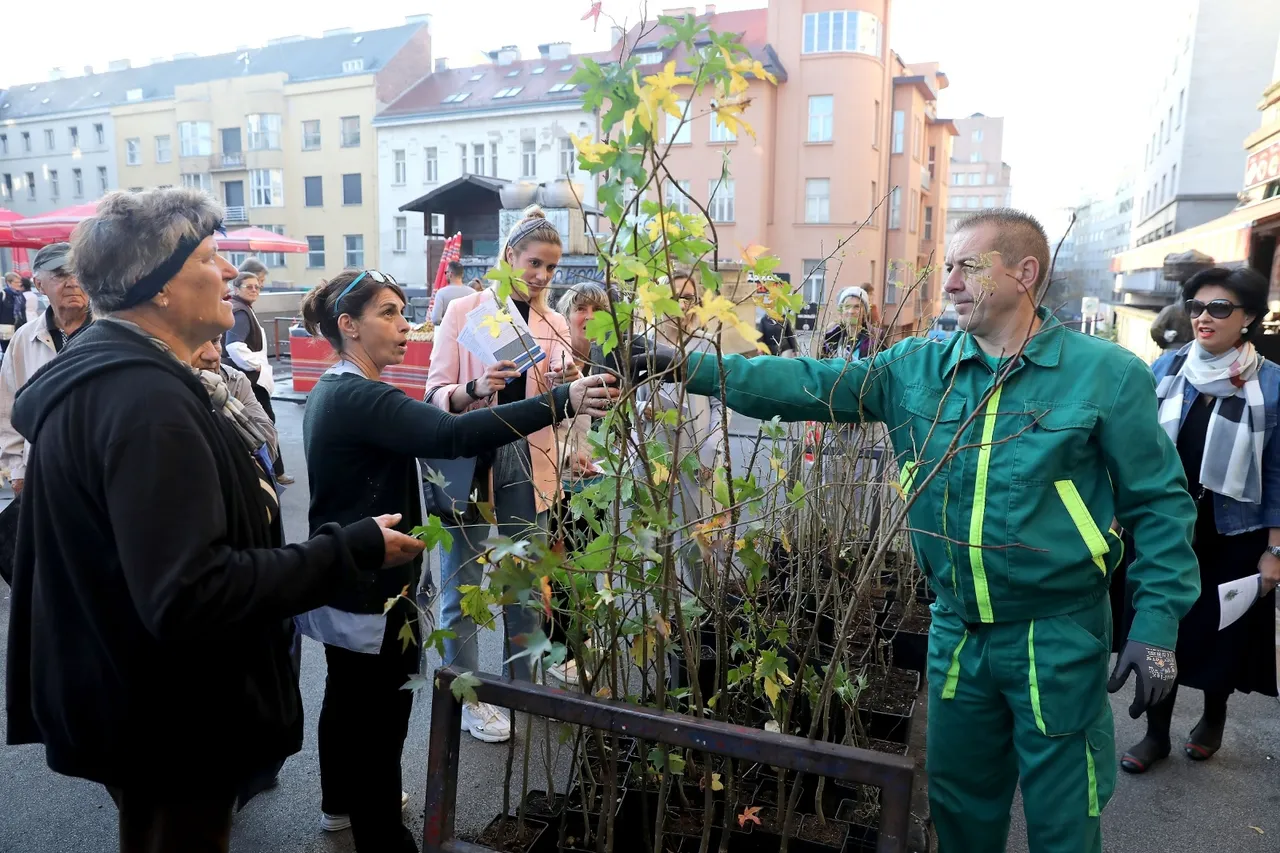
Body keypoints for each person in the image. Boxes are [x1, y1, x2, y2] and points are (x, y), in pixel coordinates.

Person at [675, 209, 1200, 853]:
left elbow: (1161, 506)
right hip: (956, 630)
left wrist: (1156, 628)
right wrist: (687, 367)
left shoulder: (1106, 375)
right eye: (947, 266)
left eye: (967, 266)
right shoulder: (916, 369)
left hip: (1056, 634)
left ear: (1024, 273)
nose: (947, 281)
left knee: (1066, 811)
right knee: (958, 806)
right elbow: (802, 384)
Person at [4, 187, 425, 853]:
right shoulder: (146, 401)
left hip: (128, 695)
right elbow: (192, 591)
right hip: (170, 711)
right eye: (207, 257)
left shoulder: (114, 374)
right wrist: (350, 548)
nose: (230, 272)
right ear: (160, 286)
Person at [296, 269, 615, 850]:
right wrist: (560, 399)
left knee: (344, 700)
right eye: (388, 313)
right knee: (377, 721)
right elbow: (451, 435)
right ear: (348, 326)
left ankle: (338, 803)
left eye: (402, 310)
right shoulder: (360, 395)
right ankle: (382, 836)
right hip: (371, 588)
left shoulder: (331, 390)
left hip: (344, 578)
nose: (405, 325)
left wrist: (478, 394)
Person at [1119, 266, 1280, 774]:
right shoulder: (1166, 368)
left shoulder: (1272, 385)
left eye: (1219, 308)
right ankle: (1155, 734)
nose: (1203, 318)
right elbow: (1133, 452)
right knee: (1159, 627)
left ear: (1249, 317)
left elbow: (1278, 472)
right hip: (1166, 529)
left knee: (1222, 634)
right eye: (1196, 307)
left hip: (1234, 534)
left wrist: (1275, 550)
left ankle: (1213, 718)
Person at [426, 205, 576, 742]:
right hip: (470, 461)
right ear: (509, 256)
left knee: (524, 585)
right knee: (461, 587)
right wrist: (474, 388)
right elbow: (433, 395)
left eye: (551, 269)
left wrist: (564, 382)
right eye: (533, 263)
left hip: (529, 463)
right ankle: (468, 697)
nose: (540, 277)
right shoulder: (466, 310)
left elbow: (555, 409)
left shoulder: (554, 323)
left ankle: (521, 686)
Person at [0, 242, 92, 496]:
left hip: (101, 469)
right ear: (40, 285)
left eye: (79, 274)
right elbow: (8, 408)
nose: (73, 282)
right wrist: (18, 472)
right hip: (43, 474)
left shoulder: (112, 330)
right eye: (61, 274)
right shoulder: (24, 339)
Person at [224, 269, 294, 484]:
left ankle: (272, 471)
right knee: (264, 424)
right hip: (251, 381)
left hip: (250, 379)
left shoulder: (241, 308)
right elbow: (234, 345)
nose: (255, 290)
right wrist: (256, 367)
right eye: (249, 286)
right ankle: (274, 472)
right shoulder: (241, 311)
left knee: (259, 424)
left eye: (257, 286)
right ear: (236, 289)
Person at [821, 286, 873, 359]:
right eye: (847, 306)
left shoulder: (875, 337)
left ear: (865, 311)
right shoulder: (830, 337)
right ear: (842, 310)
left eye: (857, 307)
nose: (851, 311)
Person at [431, 261, 473, 325]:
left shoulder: (441, 293)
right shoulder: (472, 292)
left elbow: (436, 319)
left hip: (448, 333)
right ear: (462, 275)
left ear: (450, 274)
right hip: (469, 332)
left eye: (446, 272)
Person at [0, 271, 28, 353]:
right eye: (16, 282)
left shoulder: (20, 296)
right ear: (9, 283)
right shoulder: (3, 294)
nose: (19, 284)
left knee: (19, 352)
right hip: (6, 329)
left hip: (20, 328)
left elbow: (23, 312)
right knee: (8, 352)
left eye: (20, 282)